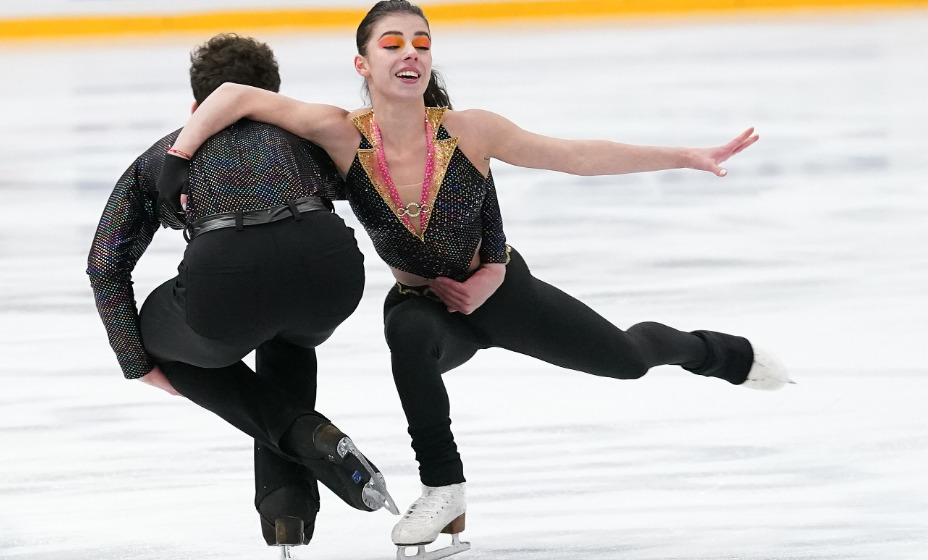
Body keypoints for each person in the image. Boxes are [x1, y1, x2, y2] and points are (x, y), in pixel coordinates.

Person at [161, 1, 790, 554]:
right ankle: (443, 487)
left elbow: (575, 156)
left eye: (422, 43)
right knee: (406, 332)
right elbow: (232, 96)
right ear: (363, 65)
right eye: (392, 44)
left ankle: (715, 353)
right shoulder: (340, 134)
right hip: (428, 307)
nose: (410, 53)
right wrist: (178, 158)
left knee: (626, 360)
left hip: (504, 295)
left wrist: (685, 156)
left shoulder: (469, 131)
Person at [86, 33, 396, 551]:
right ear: (273, 96)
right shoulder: (307, 134)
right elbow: (384, 199)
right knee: (288, 339)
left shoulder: (163, 156)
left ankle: (307, 434)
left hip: (229, 285)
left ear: (196, 106)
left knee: (157, 339)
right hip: (331, 274)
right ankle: (286, 510)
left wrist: (137, 361)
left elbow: (106, 263)